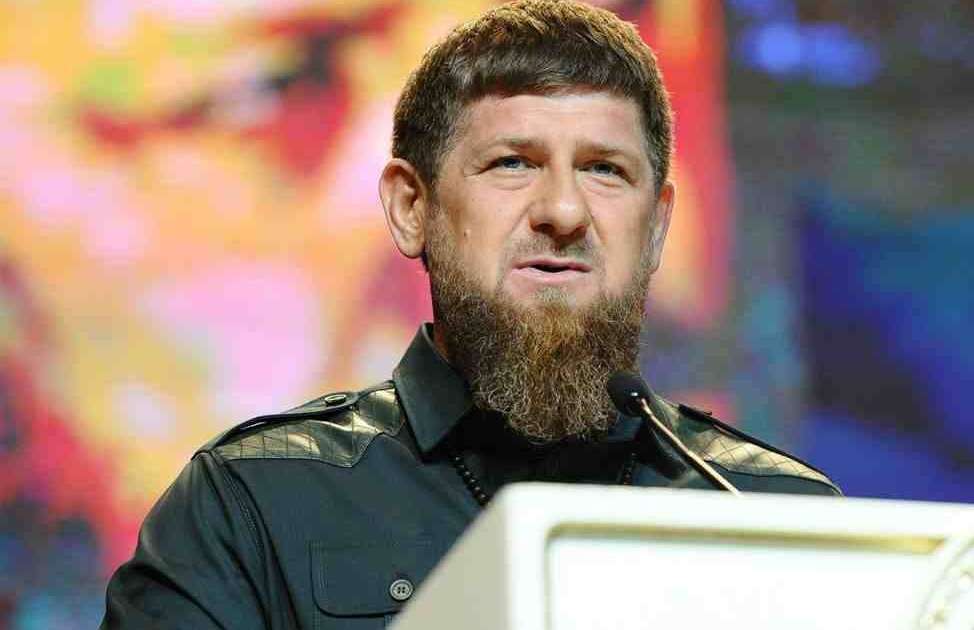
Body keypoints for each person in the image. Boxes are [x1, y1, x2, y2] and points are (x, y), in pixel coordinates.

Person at [101, 1, 840, 627]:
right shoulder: (250, 510)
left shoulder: (779, 517)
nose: (563, 211)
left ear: (656, 226)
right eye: (512, 163)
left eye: (604, 170)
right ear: (411, 207)